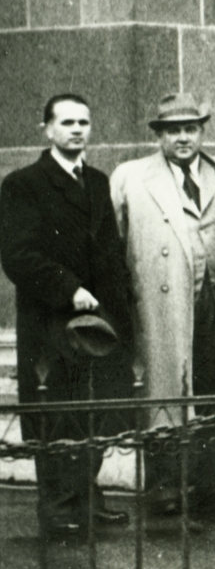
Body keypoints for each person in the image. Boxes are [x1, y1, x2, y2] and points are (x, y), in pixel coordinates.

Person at [1, 94, 134, 534]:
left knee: (93, 412)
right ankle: (58, 506)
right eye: (68, 122)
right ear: (47, 129)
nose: (77, 129)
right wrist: (68, 288)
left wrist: (121, 316)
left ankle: (88, 498)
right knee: (56, 411)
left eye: (84, 122)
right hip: (52, 323)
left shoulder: (96, 181)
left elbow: (111, 254)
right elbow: (18, 256)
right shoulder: (24, 183)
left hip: (99, 324)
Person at [110, 93, 215, 516]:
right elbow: (114, 243)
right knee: (164, 389)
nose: (183, 138)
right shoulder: (131, 177)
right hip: (161, 302)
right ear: (160, 135)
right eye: (173, 131)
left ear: (202, 130)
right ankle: (166, 485)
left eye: (190, 129)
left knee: (214, 387)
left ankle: (214, 483)